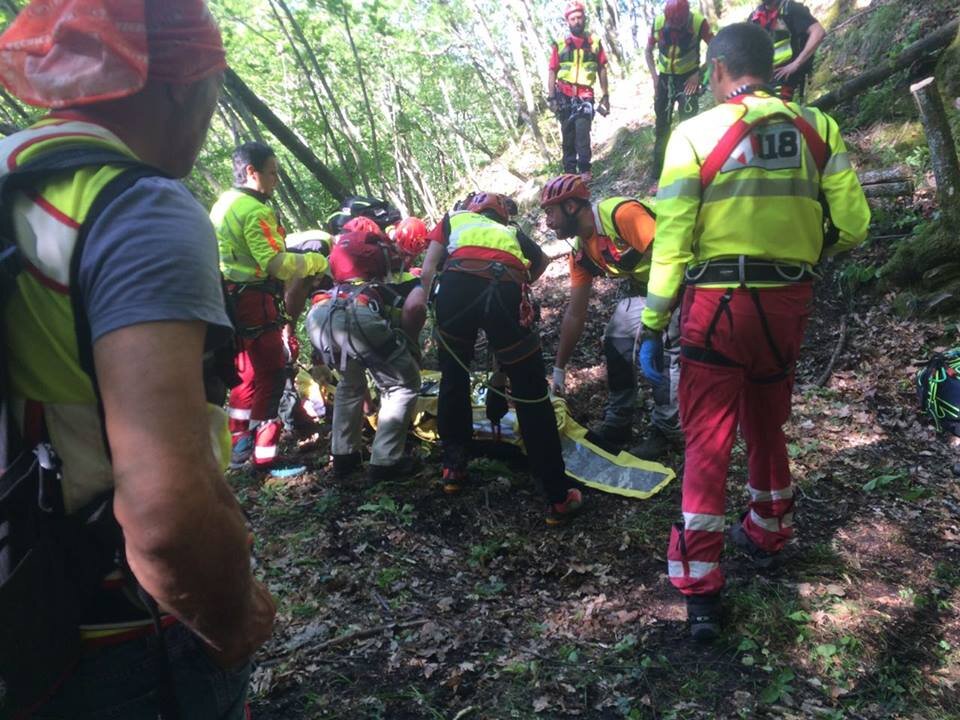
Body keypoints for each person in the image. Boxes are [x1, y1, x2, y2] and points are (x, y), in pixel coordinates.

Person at [0, 1, 275, 717]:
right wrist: (229, 619)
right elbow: (165, 511)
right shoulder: (134, 208)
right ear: (185, 85)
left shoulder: (13, 181)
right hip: (106, 632)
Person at [638, 22, 869, 642]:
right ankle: (769, 531)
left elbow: (672, 240)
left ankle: (701, 590)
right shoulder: (817, 128)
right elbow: (854, 222)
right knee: (768, 420)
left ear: (716, 70)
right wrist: (802, 254)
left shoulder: (692, 134)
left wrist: (654, 320)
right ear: (771, 68)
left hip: (717, 306)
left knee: (708, 440)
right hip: (787, 301)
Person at [420, 192, 584, 526]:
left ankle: (454, 467)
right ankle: (556, 496)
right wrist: (521, 281)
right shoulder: (511, 232)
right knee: (530, 392)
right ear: (501, 215)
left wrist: (431, 308)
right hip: (506, 286)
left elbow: (428, 268)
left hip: (455, 288)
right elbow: (539, 262)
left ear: (473, 208)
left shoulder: (454, 219)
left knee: (454, 375)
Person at [542, 174, 681, 459]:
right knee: (617, 336)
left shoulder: (622, 215)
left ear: (571, 206)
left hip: (686, 282)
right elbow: (575, 313)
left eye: (550, 212)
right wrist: (559, 368)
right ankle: (619, 422)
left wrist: (658, 320)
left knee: (668, 345)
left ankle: (670, 430)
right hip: (649, 291)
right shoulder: (581, 252)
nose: (548, 222)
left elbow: (673, 256)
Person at [211, 141, 328, 469]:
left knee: (245, 374)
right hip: (254, 300)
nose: (276, 180)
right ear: (252, 172)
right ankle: (265, 456)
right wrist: (313, 262)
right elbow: (275, 264)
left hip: (229, 298)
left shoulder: (223, 204)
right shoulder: (255, 209)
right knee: (273, 372)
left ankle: (239, 447)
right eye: (273, 173)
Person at [306, 228, 422, 482]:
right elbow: (413, 310)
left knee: (350, 382)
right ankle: (386, 462)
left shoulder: (334, 288)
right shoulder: (381, 289)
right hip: (357, 316)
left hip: (319, 317)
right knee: (403, 384)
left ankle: (344, 457)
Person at [645, 0, 714, 188]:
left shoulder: (699, 22)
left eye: (678, 23)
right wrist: (655, 77)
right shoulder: (658, 23)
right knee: (662, 128)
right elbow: (648, 52)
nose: (674, 27)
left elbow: (715, 48)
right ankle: (657, 176)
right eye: (671, 23)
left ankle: (692, 173)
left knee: (689, 126)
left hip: (688, 79)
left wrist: (698, 74)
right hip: (665, 80)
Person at [546, 0, 610, 182]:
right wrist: (551, 98)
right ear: (567, 21)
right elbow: (552, 70)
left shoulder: (595, 43)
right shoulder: (559, 45)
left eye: (579, 17)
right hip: (564, 94)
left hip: (585, 95)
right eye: (573, 18)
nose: (577, 21)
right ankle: (569, 173)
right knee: (568, 135)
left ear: (584, 19)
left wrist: (606, 95)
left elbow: (602, 69)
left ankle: (584, 170)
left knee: (583, 132)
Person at [749, 0, 826, 102]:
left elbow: (818, 32)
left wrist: (796, 64)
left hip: (785, 76)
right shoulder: (755, 17)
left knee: (777, 110)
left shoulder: (791, 9)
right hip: (763, 78)